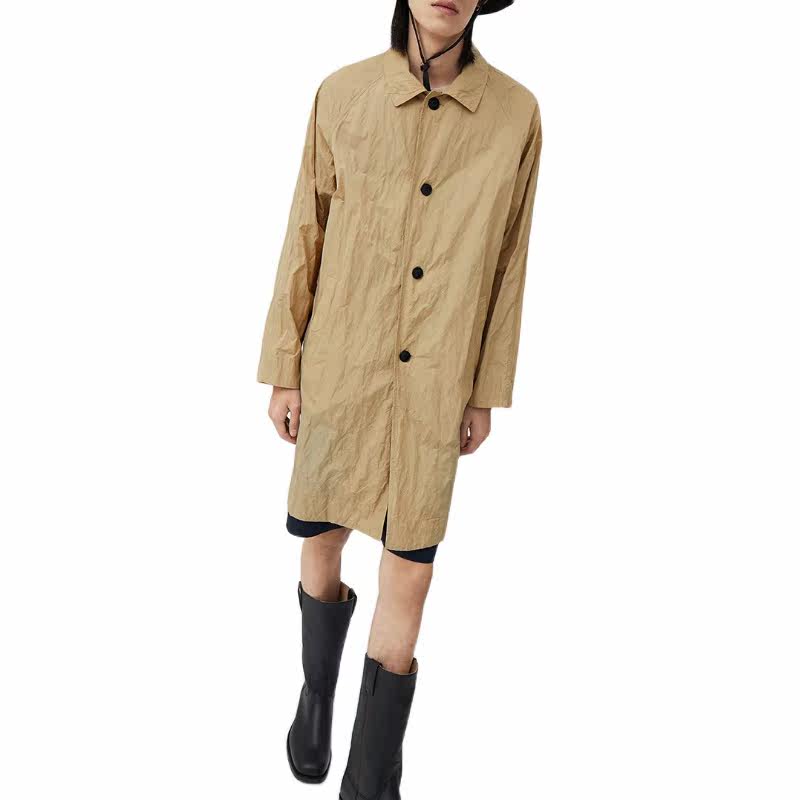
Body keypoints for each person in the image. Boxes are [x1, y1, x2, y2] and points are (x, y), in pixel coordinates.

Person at [257, 1, 541, 796]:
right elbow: (305, 232)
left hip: (437, 377)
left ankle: (370, 775)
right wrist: (286, 367)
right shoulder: (342, 94)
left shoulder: (515, 114)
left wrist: (485, 389)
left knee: (411, 570)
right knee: (322, 539)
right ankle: (317, 694)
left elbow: (511, 259)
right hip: (339, 364)